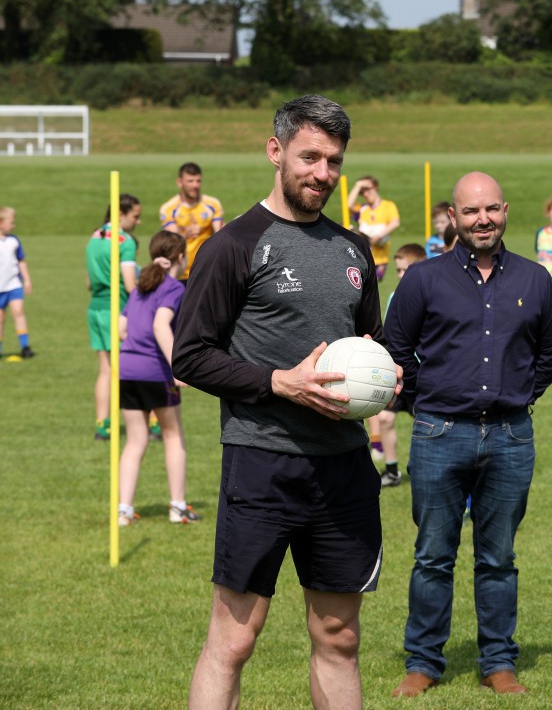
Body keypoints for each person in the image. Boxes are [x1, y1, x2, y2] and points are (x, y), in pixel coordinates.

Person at [173, 94, 397, 710]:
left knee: (339, 635)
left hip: (345, 467)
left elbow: (367, 346)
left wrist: (386, 376)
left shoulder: (355, 250)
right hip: (262, 464)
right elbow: (189, 356)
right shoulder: (232, 246)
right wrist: (279, 382)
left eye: (333, 161)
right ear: (275, 151)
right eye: (309, 157)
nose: (322, 173)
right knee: (235, 639)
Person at [384, 171, 552, 698]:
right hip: (440, 434)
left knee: (498, 557)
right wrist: (422, 401)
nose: (482, 220)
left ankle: (497, 661)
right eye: (470, 212)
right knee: (432, 555)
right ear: (453, 219)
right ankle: (423, 661)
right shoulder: (423, 279)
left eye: (490, 210)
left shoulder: (535, 280)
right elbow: (396, 349)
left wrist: (518, 394)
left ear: (505, 210)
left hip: (511, 436)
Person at [116, 230, 196, 526]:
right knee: (174, 436)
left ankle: (124, 510)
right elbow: (161, 325)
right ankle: (177, 507)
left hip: (127, 370)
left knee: (135, 441)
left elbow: (122, 329)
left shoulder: (140, 288)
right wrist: (178, 366)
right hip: (155, 372)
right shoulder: (173, 287)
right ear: (180, 257)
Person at [86, 194, 142, 441]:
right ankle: (145, 421)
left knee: (105, 370)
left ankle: (102, 424)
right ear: (121, 214)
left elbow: (88, 281)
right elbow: (130, 285)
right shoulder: (125, 241)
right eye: (135, 216)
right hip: (116, 310)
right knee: (130, 367)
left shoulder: (94, 236)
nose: (138, 222)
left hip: (95, 308)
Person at [378, 243, 427, 488]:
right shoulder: (393, 297)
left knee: (426, 425)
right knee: (385, 418)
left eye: (405, 270)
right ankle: (391, 470)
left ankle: (428, 470)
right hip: (398, 373)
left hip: (423, 377)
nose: (400, 276)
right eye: (397, 271)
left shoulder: (431, 296)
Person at [159, 162, 223, 283]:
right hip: (179, 273)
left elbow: (220, 235)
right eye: (190, 181)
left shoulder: (212, 204)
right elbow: (171, 243)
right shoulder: (169, 208)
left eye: (198, 181)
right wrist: (185, 235)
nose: (195, 185)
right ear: (180, 182)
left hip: (205, 271)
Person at [348, 175, 401, 281]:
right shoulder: (362, 209)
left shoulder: (388, 206)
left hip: (380, 257)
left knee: (374, 283)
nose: (366, 194)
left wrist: (378, 236)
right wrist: (358, 185)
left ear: (375, 187)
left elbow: (395, 223)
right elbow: (348, 205)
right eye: (362, 192)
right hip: (363, 256)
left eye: (367, 189)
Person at [0, 206, 34, 360]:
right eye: (11, 222)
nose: (13, 226)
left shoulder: (14, 240)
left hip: (14, 285)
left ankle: (25, 346)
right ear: (1, 223)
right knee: (1, 319)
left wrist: (26, 280)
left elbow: (21, 261)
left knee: (19, 312)